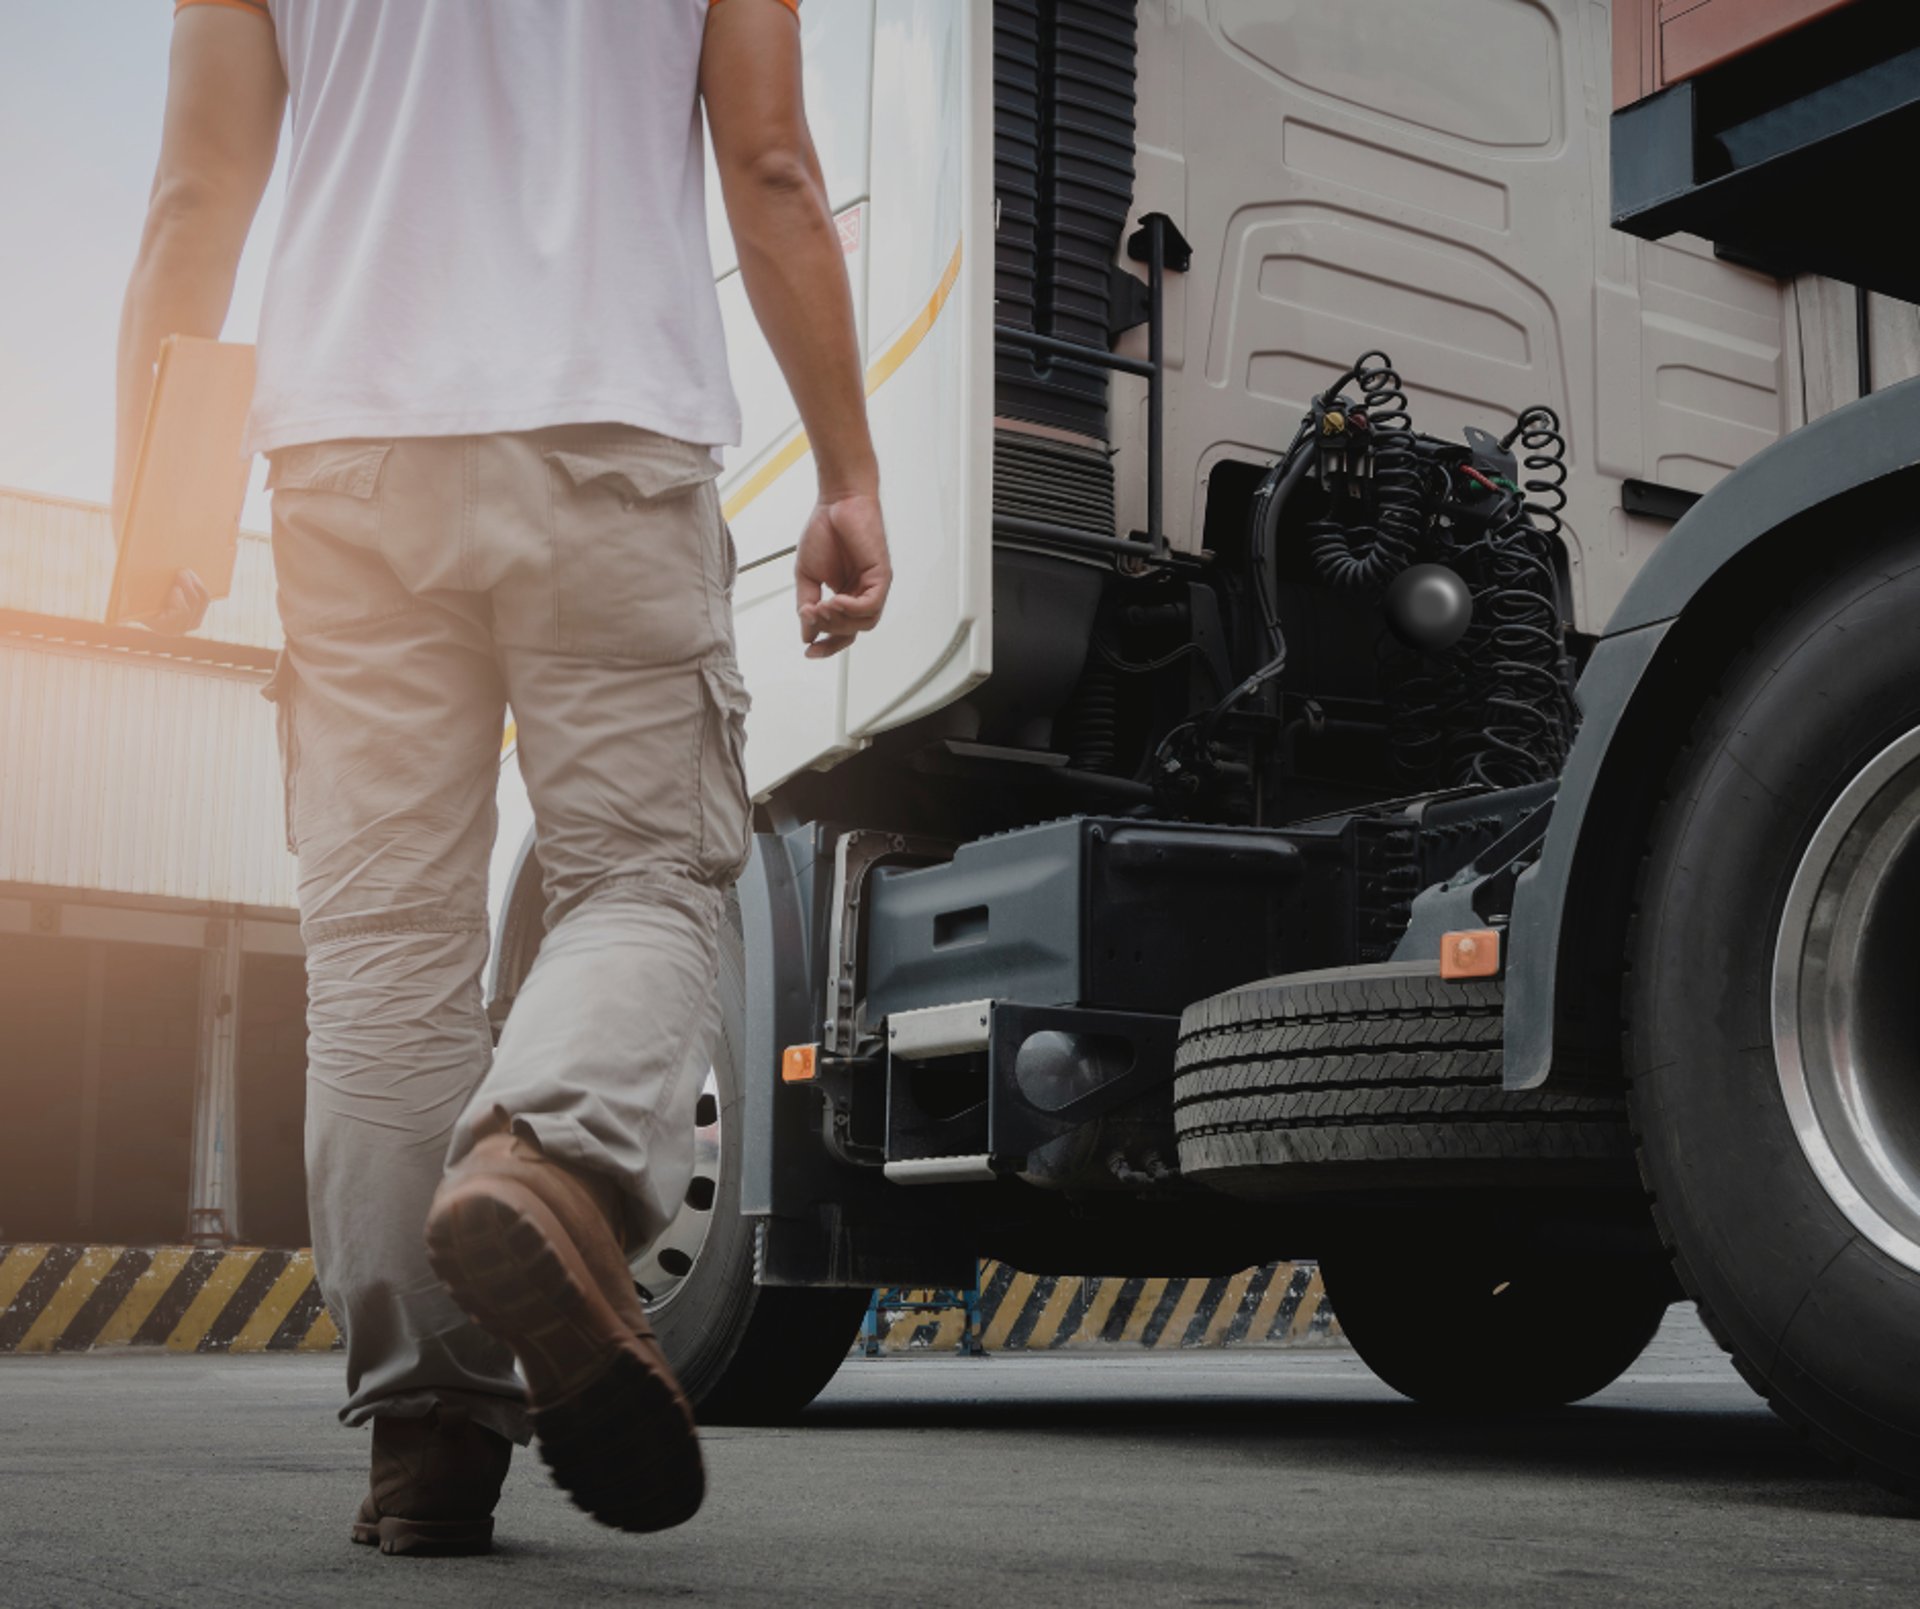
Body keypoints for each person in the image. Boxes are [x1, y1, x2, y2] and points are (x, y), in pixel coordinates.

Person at [114, 0, 891, 1556]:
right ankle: (551, 1157)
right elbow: (774, 165)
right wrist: (848, 471)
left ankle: (429, 1435)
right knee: (646, 873)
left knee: (386, 950)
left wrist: (162, 503)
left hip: (347, 462)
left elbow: (198, 196)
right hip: (611, 439)